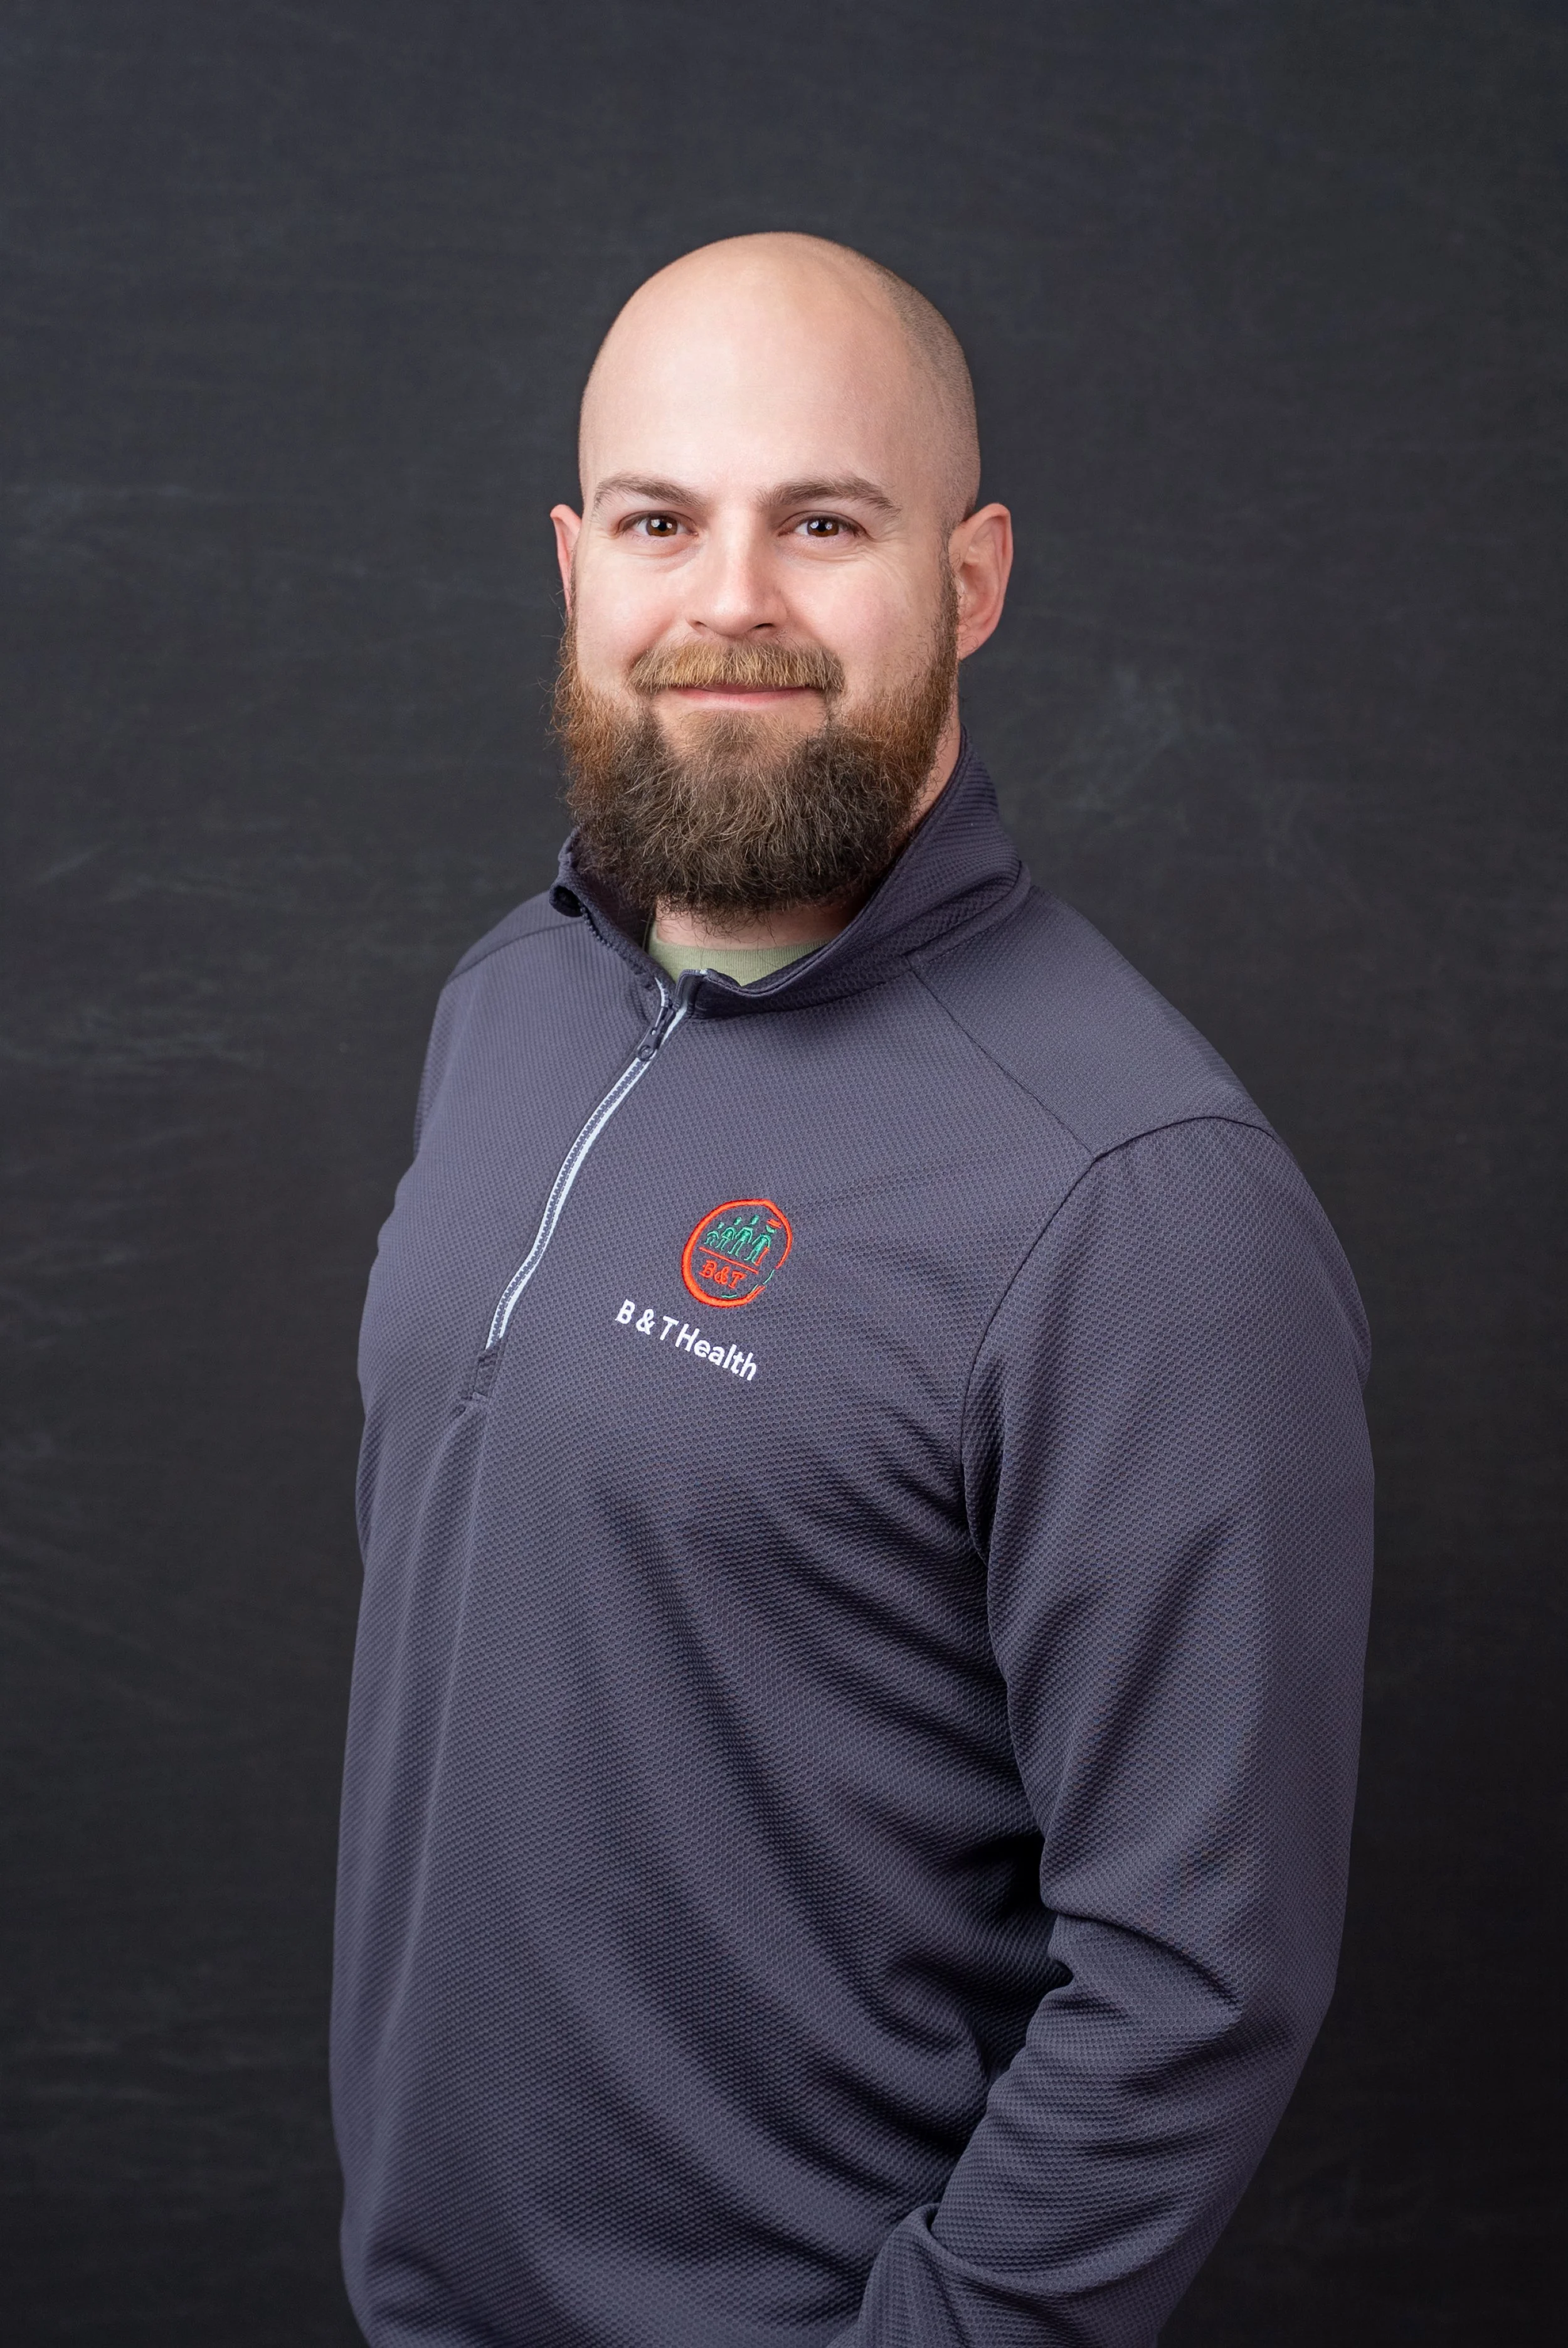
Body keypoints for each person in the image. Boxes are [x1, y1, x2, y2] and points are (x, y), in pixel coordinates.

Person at [332, 233, 1373, 2348]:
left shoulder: (1137, 1201)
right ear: (572, 560)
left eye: (823, 520)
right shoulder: (509, 1003)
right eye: (660, 520)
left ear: (970, 576)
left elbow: (1197, 1978)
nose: (731, 600)